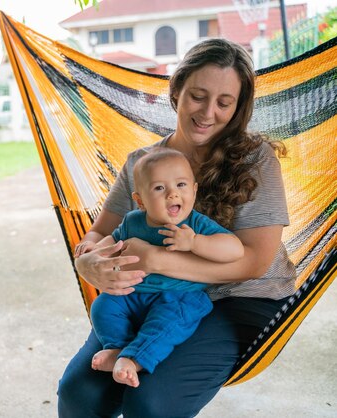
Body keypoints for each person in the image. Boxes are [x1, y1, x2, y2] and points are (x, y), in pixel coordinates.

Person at [57, 37, 296, 418]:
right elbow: (97, 234)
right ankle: (126, 350)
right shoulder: (143, 164)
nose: (208, 113)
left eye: (224, 102)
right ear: (176, 92)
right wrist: (86, 260)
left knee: (150, 402)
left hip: (240, 299)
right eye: (198, 96)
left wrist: (156, 260)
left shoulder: (255, 160)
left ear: (237, 108)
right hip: (151, 295)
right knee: (79, 394)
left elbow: (254, 262)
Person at [84, 148, 244, 388]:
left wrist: (194, 242)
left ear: (194, 189)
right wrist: (94, 251)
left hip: (180, 296)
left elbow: (235, 249)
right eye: (159, 188)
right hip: (134, 293)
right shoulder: (133, 221)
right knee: (103, 306)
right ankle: (117, 347)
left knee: (167, 324)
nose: (172, 194)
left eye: (181, 185)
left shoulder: (195, 224)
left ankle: (133, 359)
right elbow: (115, 241)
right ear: (140, 201)